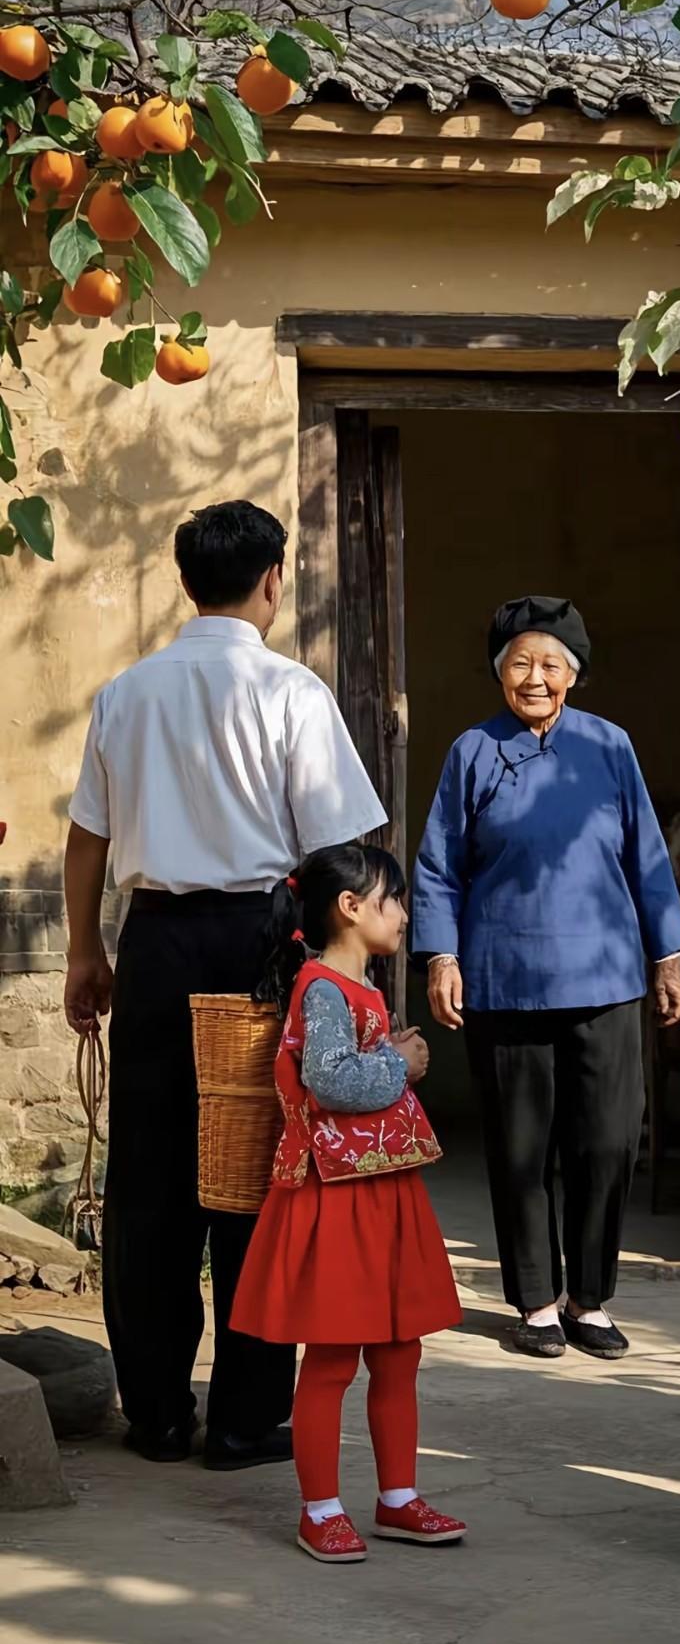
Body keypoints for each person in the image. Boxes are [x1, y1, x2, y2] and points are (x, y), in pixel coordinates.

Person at [63, 499, 389, 1469]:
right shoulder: (291, 692)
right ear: (274, 580)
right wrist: (345, 982)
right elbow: (340, 854)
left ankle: (157, 1412)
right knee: (256, 1183)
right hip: (262, 946)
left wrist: (88, 952)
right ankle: (247, 1419)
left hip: (157, 945)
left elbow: (88, 838)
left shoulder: (129, 692)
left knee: (151, 1184)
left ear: (186, 580)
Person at [409, 594, 680, 1361]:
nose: (534, 677)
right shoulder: (473, 752)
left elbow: (647, 858)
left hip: (606, 974)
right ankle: (535, 1301)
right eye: (520, 664)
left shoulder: (610, 747)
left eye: (550, 664)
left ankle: (589, 1299)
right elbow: (438, 866)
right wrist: (442, 956)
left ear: (575, 674)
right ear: (501, 674)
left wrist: (668, 956)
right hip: (505, 977)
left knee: (604, 1143)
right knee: (520, 1145)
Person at [230, 842, 464, 1564]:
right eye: (392, 900)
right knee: (332, 1357)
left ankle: (397, 1497)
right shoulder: (322, 989)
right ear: (351, 908)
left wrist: (389, 1054)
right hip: (337, 1199)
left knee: (398, 1352)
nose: (402, 913)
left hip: (382, 1192)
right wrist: (401, 1062)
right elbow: (332, 1081)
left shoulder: (358, 989)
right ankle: (320, 1508)